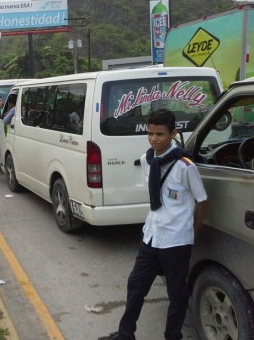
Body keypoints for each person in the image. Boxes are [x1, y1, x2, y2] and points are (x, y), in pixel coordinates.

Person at [98, 109, 209, 340]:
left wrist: (192, 234)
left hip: (177, 240)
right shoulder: (147, 160)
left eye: (160, 134)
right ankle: (126, 333)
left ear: (173, 134)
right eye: (150, 133)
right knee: (136, 285)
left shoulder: (185, 166)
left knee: (177, 294)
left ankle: (173, 336)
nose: (154, 139)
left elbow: (202, 201)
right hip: (152, 235)